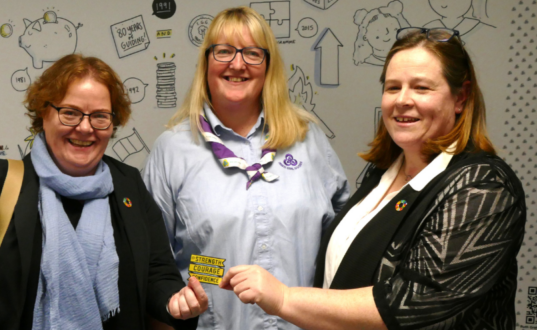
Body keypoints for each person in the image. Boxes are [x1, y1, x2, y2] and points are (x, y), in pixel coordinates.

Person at [219, 27, 526, 329]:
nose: (402, 100)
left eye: (421, 87)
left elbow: (413, 303)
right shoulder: (383, 174)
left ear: (461, 97)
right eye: (393, 87)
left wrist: (284, 298)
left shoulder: (484, 186)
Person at [0, 54, 207, 330]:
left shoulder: (128, 185)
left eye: (100, 116)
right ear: (44, 112)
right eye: (70, 113)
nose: (85, 127)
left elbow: (157, 273)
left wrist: (175, 301)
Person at [143, 6, 350, 330]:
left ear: (268, 66)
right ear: (206, 63)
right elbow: (153, 269)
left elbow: (345, 243)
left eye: (252, 53)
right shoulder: (172, 150)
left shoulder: (309, 140)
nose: (237, 64)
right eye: (224, 51)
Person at [353, 0, 410, 66]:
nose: (387, 35)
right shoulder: (366, 64)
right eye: (377, 36)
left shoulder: (406, 62)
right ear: (365, 36)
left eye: (394, 30)